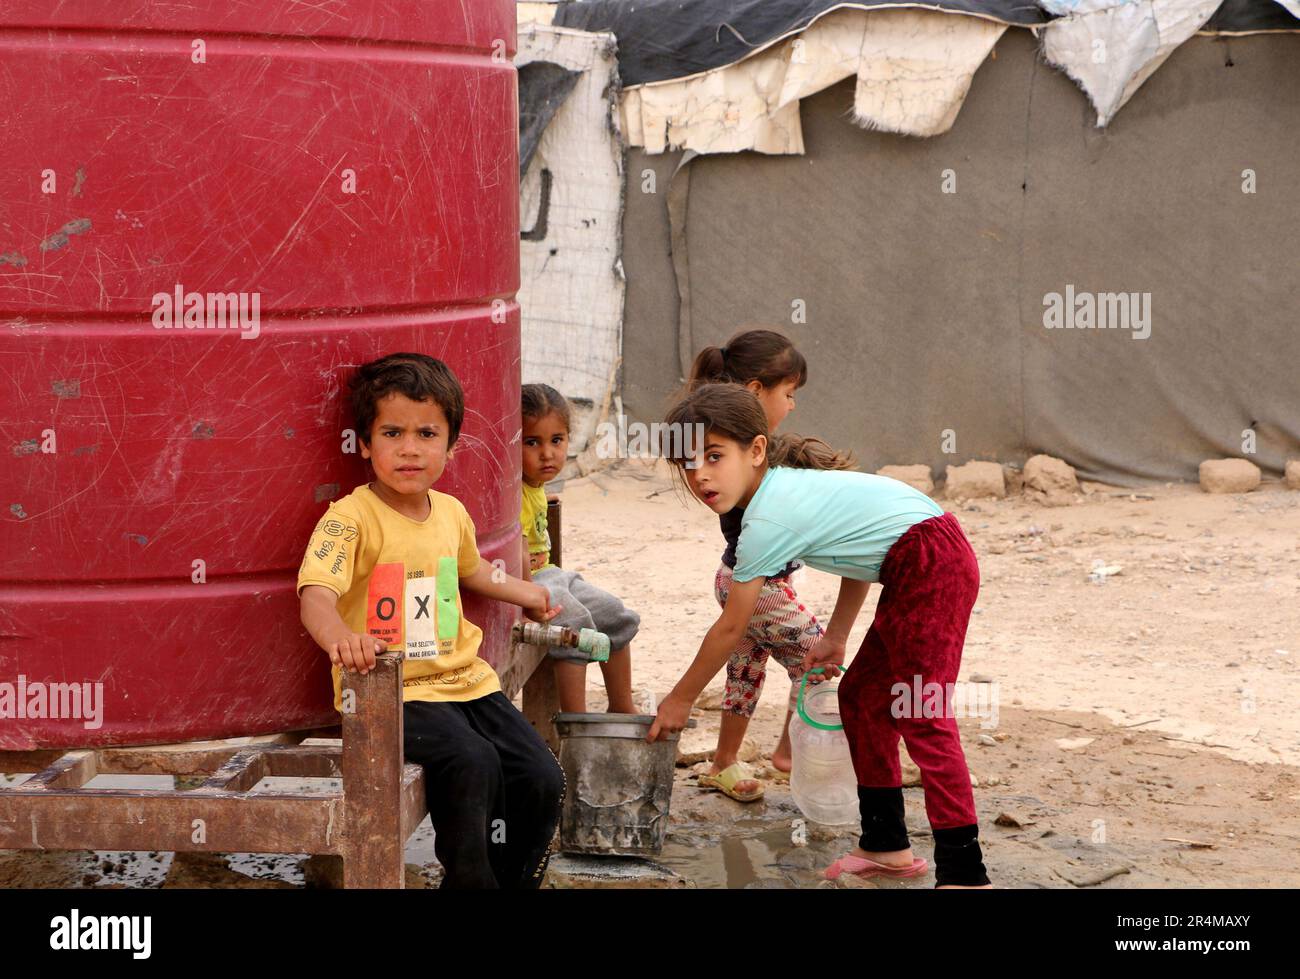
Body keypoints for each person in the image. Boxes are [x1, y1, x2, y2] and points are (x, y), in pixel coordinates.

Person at [647, 382, 991, 888]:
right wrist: (835, 636)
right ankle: (885, 845)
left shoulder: (766, 518)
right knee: (862, 697)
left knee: (921, 710)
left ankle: (966, 872)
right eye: (687, 465)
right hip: (909, 560)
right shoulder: (780, 491)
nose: (700, 475)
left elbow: (732, 626)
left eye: (714, 456)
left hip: (932, 562)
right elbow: (865, 551)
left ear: (756, 449)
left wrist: (678, 700)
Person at [297, 353, 565, 889]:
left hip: (468, 684)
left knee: (542, 776)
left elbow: (471, 572)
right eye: (392, 432)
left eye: (427, 433)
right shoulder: (349, 519)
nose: (410, 448)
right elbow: (315, 595)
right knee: (474, 764)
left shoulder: (451, 512)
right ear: (365, 444)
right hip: (395, 692)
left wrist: (528, 592)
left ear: (451, 443)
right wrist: (341, 640)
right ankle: (469, 879)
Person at [682, 328, 827, 802]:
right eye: (789, 394)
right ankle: (790, 754)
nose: (793, 405)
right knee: (818, 661)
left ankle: (723, 763)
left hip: (737, 579)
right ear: (755, 393)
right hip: (756, 585)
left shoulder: (746, 452)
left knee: (745, 669)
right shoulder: (756, 458)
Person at [520, 382, 640, 713]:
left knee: (614, 614)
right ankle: (576, 721)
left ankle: (622, 708)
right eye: (532, 442)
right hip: (525, 584)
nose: (548, 453)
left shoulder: (535, 484)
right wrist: (525, 597)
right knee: (575, 623)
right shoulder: (509, 491)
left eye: (556, 440)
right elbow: (515, 551)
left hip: (549, 574)